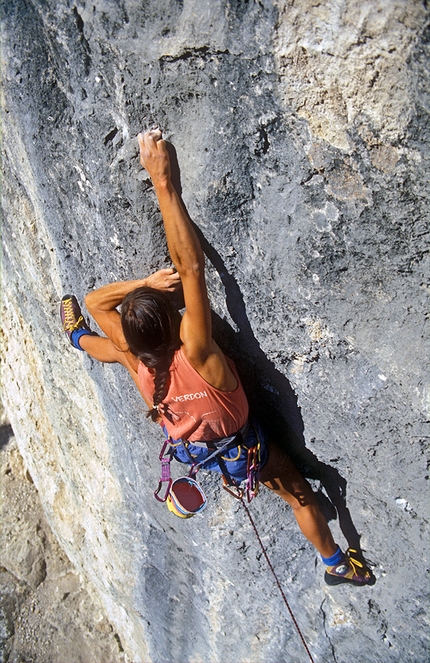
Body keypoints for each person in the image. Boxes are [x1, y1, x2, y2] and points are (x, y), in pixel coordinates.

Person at [60, 129, 373, 586]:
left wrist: (137, 286)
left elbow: (94, 301)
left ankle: (77, 341)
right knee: (298, 493)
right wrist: (163, 182)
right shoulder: (198, 351)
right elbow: (191, 268)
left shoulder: (137, 357)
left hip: (196, 446)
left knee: (112, 351)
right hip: (242, 447)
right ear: (174, 322)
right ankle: (336, 565)